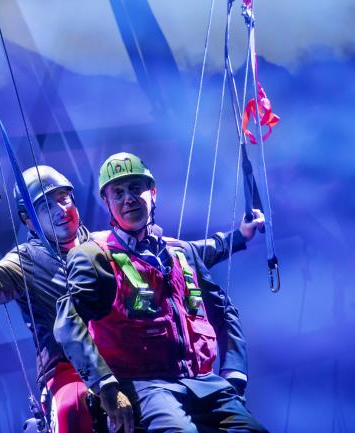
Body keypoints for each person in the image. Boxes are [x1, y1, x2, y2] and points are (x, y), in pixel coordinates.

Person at [0, 164, 264, 433]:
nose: (61, 210)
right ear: (27, 219)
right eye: (46, 206)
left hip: (124, 362)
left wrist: (239, 237)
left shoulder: (105, 245)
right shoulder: (24, 262)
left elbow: (180, 253)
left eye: (64, 199)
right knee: (73, 411)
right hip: (69, 368)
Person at [54, 152, 269, 433]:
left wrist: (234, 375)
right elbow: (69, 323)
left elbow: (224, 311)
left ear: (152, 193)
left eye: (135, 188)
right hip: (144, 386)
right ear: (107, 203)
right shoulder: (94, 256)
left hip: (206, 384)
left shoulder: (181, 252)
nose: (129, 199)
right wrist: (105, 386)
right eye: (118, 193)